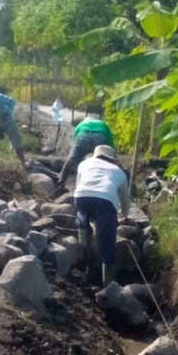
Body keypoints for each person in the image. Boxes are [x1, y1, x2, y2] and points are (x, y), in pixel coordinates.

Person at [74, 144, 131, 287]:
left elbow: (78, 186)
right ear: (112, 159)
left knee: (82, 222)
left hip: (81, 197)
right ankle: (108, 285)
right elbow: (125, 199)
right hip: (105, 201)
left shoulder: (84, 164)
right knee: (107, 240)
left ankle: (85, 260)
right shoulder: (118, 171)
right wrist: (124, 214)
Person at [58, 113, 115, 184]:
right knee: (105, 161)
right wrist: (113, 157)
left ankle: (61, 180)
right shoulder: (103, 124)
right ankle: (117, 177)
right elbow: (110, 145)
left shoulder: (81, 124)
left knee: (71, 161)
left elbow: (75, 140)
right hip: (100, 136)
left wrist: (74, 155)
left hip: (83, 136)